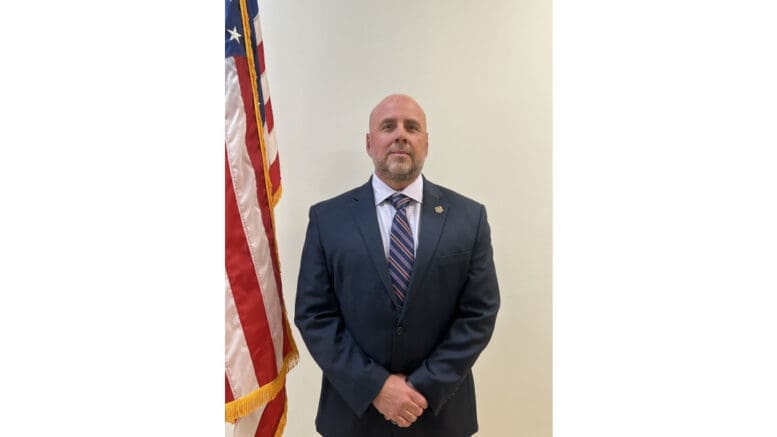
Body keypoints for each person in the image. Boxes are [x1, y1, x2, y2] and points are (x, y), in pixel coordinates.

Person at [295, 94, 500, 437]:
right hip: (352, 416)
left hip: (441, 415)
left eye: (412, 127)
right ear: (369, 142)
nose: (400, 135)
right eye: (388, 126)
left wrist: (423, 387)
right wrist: (376, 387)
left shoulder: (469, 217)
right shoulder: (327, 219)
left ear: (426, 142)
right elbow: (314, 314)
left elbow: (479, 312)